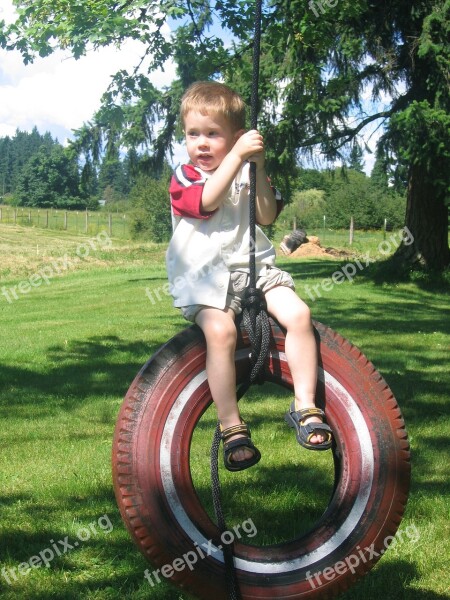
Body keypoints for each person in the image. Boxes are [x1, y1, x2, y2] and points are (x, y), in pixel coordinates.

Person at [166, 81, 332, 471]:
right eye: (193, 134)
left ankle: (306, 405)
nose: (201, 144)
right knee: (221, 332)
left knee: (300, 315)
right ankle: (231, 426)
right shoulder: (185, 175)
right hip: (204, 279)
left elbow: (267, 215)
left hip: (253, 269)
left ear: (236, 136)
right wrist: (236, 156)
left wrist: (256, 165)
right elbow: (206, 202)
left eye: (213, 134)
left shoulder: (246, 170)